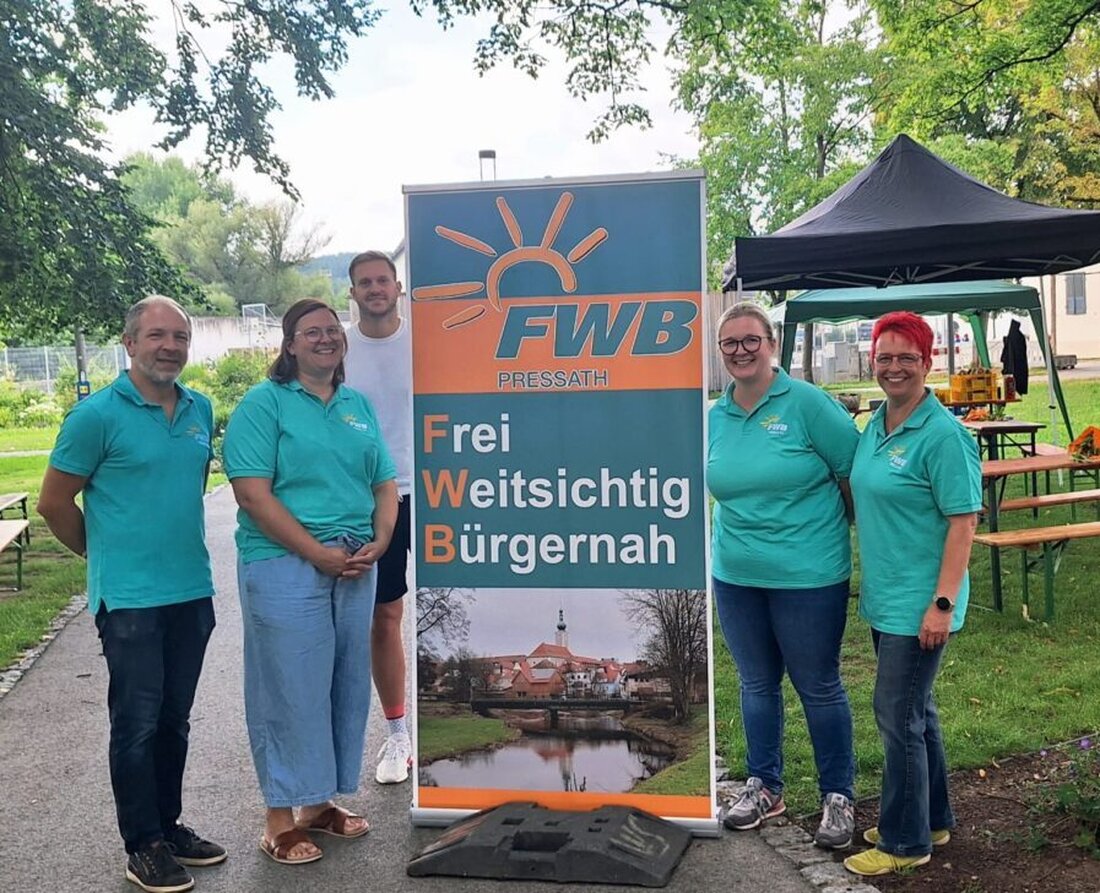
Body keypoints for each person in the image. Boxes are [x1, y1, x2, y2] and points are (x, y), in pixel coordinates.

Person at [38, 296, 225, 893]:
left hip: (191, 590)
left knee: (174, 720)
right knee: (137, 724)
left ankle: (168, 828)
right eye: (156, 336)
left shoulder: (200, 409)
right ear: (129, 343)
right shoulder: (94, 416)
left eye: (180, 337)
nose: (170, 347)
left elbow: (187, 487)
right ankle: (142, 845)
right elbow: (53, 503)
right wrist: (102, 557)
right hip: (129, 601)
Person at [223, 298, 398, 866]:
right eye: (311, 332)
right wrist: (315, 552)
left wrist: (382, 538)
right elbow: (252, 494)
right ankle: (278, 818)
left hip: (354, 563)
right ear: (290, 345)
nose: (326, 338)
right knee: (287, 688)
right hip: (284, 561)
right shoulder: (264, 403)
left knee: (341, 684)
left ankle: (318, 804)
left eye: (332, 330)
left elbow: (383, 483)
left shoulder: (356, 405)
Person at [706, 303, 860, 848]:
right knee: (755, 683)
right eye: (730, 343)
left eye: (751, 340)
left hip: (808, 574)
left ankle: (837, 795)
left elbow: (852, 472)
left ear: (771, 344)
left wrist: (838, 529)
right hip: (735, 574)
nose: (741, 351)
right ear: (720, 352)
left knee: (818, 685)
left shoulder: (808, 404)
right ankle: (764, 787)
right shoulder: (715, 416)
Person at [844, 311, 981, 878]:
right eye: (885, 357)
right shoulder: (877, 423)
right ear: (872, 362)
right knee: (916, 712)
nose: (894, 367)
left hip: (922, 604)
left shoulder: (944, 436)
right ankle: (933, 819)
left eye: (907, 357)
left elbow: (963, 522)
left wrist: (942, 604)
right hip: (887, 597)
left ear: (928, 362)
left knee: (897, 717)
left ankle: (905, 842)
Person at [343, 250, 414, 785]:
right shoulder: (339, 350)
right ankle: (398, 735)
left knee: (454, 603)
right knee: (384, 616)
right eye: (364, 283)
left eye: (382, 280)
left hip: (441, 490)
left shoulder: (426, 341)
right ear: (353, 293)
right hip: (371, 498)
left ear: (397, 287)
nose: (374, 289)